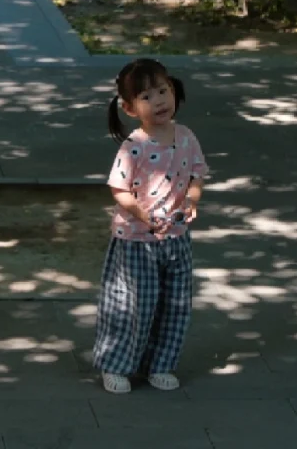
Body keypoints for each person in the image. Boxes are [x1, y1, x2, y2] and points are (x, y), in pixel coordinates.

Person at [92, 57, 207, 395]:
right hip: (136, 240)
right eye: (146, 96)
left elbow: (197, 174)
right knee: (133, 303)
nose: (159, 100)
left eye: (163, 90)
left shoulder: (185, 136)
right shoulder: (134, 147)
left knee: (175, 302)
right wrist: (142, 214)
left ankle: (160, 364)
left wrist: (192, 201)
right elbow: (119, 190)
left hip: (176, 238)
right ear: (129, 108)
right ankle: (116, 365)